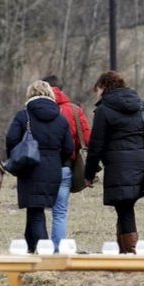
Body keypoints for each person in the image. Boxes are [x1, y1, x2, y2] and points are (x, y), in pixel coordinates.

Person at [84, 71, 144, 254]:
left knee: (125, 208)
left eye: (97, 89)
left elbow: (96, 145)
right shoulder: (142, 106)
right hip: (141, 163)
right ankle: (124, 252)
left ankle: (130, 254)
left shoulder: (104, 110)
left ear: (103, 87)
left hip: (118, 165)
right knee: (125, 207)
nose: (96, 93)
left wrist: (89, 173)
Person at [6, 81, 73, 253]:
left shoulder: (24, 116)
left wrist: (17, 156)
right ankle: (31, 247)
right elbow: (69, 148)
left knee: (35, 211)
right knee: (36, 209)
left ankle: (44, 251)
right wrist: (56, 158)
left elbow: (11, 139)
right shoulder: (61, 118)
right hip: (53, 168)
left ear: (30, 94)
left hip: (30, 166)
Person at [42, 75, 91, 252]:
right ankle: (57, 249)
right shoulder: (74, 110)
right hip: (65, 166)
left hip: (40, 167)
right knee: (60, 212)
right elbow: (86, 138)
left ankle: (37, 247)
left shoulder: (34, 108)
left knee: (36, 211)